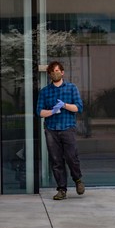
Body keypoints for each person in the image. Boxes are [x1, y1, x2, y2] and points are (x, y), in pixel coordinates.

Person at [37, 61, 85, 200]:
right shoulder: (45, 91)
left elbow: (78, 108)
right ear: (49, 75)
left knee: (71, 157)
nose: (55, 73)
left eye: (57, 71)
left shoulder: (71, 88)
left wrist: (64, 105)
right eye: (52, 72)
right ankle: (61, 189)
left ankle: (77, 180)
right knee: (56, 160)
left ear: (62, 72)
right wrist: (52, 111)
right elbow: (39, 112)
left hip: (67, 127)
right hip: (51, 129)